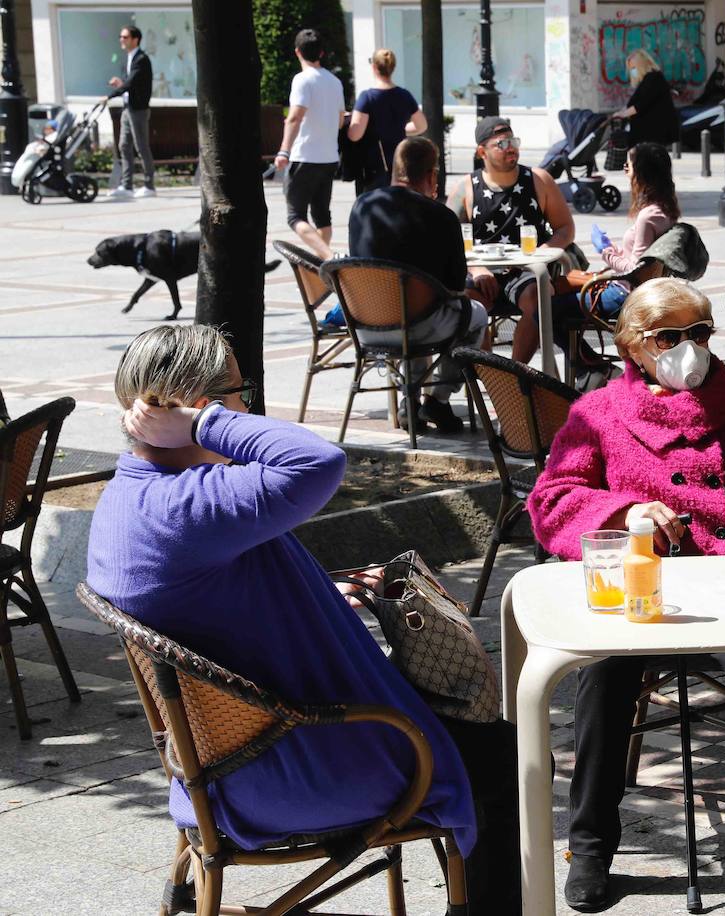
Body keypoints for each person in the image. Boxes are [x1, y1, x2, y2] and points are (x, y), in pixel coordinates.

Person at [86, 325, 519, 911]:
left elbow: (218, 594)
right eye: (242, 394)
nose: (250, 408)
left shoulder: (133, 493)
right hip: (306, 766)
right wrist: (203, 423)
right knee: (504, 758)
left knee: (485, 745)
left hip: (222, 769)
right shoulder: (193, 504)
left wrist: (315, 596)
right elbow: (318, 461)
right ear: (204, 404)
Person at [527, 278, 725, 910]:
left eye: (699, 332)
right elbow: (552, 497)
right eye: (669, 337)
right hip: (643, 600)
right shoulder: (596, 414)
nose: (689, 349)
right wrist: (623, 512)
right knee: (601, 672)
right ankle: (592, 840)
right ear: (634, 347)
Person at [348, 137, 488, 433]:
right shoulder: (441, 216)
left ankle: (409, 400)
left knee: (420, 307)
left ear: (394, 170)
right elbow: (455, 286)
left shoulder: (362, 206)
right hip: (418, 325)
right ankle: (437, 399)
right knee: (474, 315)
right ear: (431, 175)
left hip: (365, 325)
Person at [449, 116, 576, 365]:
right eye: (502, 143)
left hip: (526, 269)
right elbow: (447, 238)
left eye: (513, 141)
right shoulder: (465, 188)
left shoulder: (539, 180)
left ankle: (517, 377)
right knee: (465, 304)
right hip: (481, 272)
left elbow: (565, 228)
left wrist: (543, 253)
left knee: (539, 296)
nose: (510, 148)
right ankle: (492, 378)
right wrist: (476, 268)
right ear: (481, 151)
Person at [274, 29, 347, 260]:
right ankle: (321, 272)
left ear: (297, 52)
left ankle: (328, 257)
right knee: (322, 216)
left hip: (304, 156)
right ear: (322, 53)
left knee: (295, 216)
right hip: (329, 158)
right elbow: (339, 120)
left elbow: (295, 116)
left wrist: (284, 150)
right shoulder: (334, 82)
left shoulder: (302, 80)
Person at [587, 141, 679, 319]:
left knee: (551, 307)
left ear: (642, 172)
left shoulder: (648, 215)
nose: (625, 171)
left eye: (628, 166)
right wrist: (616, 251)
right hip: (642, 292)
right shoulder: (666, 208)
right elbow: (644, 260)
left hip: (627, 295)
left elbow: (634, 271)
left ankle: (581, 349)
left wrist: (605, 252)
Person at [347, 47, 427, 196]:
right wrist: (400, 129)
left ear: (374, 67)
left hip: (373, 166)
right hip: (400, 162)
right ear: (393, 68)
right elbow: (421, 125)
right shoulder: (404, 95)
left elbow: (355, 134)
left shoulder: (367, 97)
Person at [106, 25, 155, 200]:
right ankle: (127, 185)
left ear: (135, 39)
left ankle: (149, 185)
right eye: (121, 36)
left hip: (138, 109)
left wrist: (110, 95)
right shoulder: (129, 58)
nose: (121, 40)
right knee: (124, 145)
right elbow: (130, 84)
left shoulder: (141, 59)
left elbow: (133, 83)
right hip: (128, 107)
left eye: (125, 37)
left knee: (141, 146)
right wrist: (120, 84)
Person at [609, 48, 680, 147]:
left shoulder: (653, 79)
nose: (632, 72)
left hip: (655, 130)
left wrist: (623, 114)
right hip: (649, 131)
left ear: (641, 65)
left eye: (634, 68)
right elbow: (634, 103)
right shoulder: (647, 80)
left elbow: (641, 104)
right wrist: (621, 113)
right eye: (631, 69)